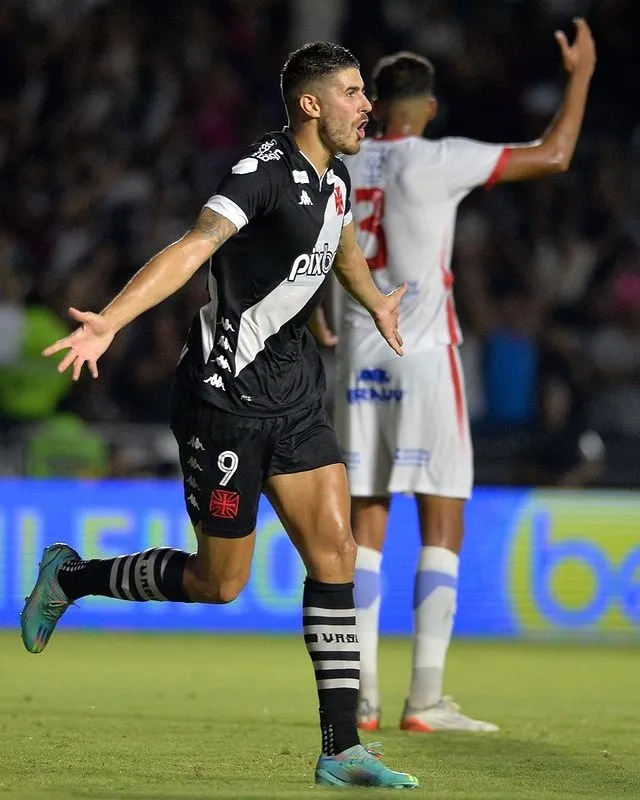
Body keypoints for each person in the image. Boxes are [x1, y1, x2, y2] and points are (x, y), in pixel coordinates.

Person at [21, 42, 419, 790]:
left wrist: (374, 301)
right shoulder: (260, 172)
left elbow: (341, 246)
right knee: (218, 583)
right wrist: (111, 321)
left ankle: (341, 749)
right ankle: (71, 578)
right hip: (225, 401)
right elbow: (194, 245)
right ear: (311, 105)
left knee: (335, 554)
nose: (367, 104)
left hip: (295, 394)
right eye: (353, 92)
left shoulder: (336, 180)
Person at [324, 19, 596, 733]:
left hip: (357, 359)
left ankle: (361, 698)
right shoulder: (439, 158)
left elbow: (313, 248)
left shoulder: (340, 166)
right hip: (420, 352)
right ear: (429, 108)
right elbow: (556, 153)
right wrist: (580, 76)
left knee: (366, 525)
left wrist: (319, 318)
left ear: (373, 108)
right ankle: (424, 699)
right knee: (442, 516)